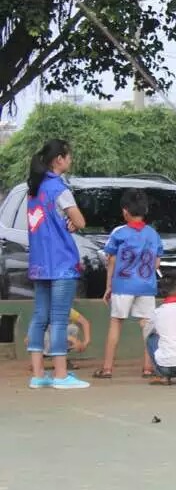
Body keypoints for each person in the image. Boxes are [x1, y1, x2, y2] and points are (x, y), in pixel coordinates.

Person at [25, 139, 89, 390]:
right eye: (68, 156)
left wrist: (66, 222)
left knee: (40, 316)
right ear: (59, 159)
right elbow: (80, 221)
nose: (70, 160)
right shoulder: (59, 189)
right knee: (60, 318)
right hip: (61, 261)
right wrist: (72, 222)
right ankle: (61, 375)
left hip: (40, 261)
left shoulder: (34, 190)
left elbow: (45, 223)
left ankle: (38, 374)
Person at [94, 189, 163, 380]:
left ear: (125, 211)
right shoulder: (153, 234)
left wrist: (109, 286)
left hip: (123, 285)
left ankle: (107, 368)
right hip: (146, 286)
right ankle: (148, 368)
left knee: (116, 323)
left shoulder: (119, 233)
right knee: (147, 326)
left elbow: (112, 261)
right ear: (145, 210)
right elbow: (157, 262)